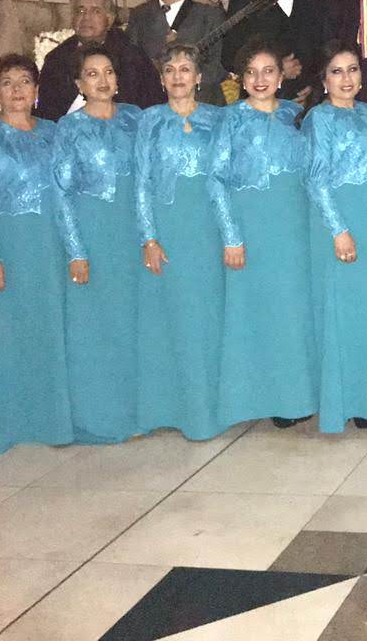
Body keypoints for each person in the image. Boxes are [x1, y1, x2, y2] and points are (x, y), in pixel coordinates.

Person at [0, 54, 73, 455]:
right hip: (10, 244)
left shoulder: (54, 133)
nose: (16, 91)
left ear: (37, 90)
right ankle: (11, 424)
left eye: (24, 81)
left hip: (52, 243)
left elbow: (68, 192)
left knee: (54, 329)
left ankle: (57, 421)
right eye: (7, 83)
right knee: (12, 332)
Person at [209, 40, 317, 430]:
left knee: (292, 312)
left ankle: (297, 395)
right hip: (251, 228)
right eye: (251, 72)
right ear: (241, 78)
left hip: (292, 228)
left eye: (268, 71)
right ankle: (261, 396)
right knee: (257, 312)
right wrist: (232, 236)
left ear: (281, 75)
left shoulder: (296, 117)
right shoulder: (231, 120)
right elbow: (216, 180)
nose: (260, 79)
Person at [134, 43, 226, 440]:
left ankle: (215, 406)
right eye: (169, 69)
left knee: (209, 315)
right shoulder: (149, 121)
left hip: (209, 226)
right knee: (174, 317)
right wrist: (149, 238)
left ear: (200, 76)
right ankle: (181, 408)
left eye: (185, 68)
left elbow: (229, 179)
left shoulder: (219, 119)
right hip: (169, 227)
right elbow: (141, 183)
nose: (178, 76)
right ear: (160, 78)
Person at [52, 46, 143, 444]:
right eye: (92, 74)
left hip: (134, 231)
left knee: (134, 323)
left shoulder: (137, 120)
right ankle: (98, 416)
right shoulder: (68, 129)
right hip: (92, 232)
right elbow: (61, 192)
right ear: (79, 84)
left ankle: (140, 410)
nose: (102, 80)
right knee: (96, 327)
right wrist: (76, 250)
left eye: (108, 72)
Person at [300, 41, 367, 431]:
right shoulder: (318, 119)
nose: (346, 78)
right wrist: (339, 231)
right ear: (323, 81)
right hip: (336, 222)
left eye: (352, 69)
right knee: (341, 311)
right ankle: (345, 399)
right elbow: (315, 180)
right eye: (336, 72)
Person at [219, 0, 331, 102]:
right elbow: (229, 56)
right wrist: (275, 69)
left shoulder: (316, 5)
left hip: (307, 107)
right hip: (259, 105)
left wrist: (314, 87)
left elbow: (326, 54)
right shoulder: (244, 1)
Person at [36, 0, 163, 120]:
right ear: (73, 19)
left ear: (110, 19)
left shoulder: (132, 56)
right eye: (80, 11)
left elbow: (152, 105)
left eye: (96, 11)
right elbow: (46, 113)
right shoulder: (56, 59)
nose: (86, 17)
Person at [126, 0, 227, 105]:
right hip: (154, 105)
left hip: (203, 103)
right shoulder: (139, 15)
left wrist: (186, 84)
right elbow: (131, 64)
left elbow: (220, 64)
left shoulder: (210, 15)